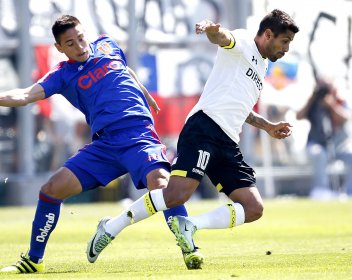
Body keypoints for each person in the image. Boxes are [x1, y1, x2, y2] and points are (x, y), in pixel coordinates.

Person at [87, 9, 299, 266]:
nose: (286, 49)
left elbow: (239, 107)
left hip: (228, 141)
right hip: (204, 128)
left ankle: (191, 225)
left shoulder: (262, 65)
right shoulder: (243, 41)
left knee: (253, 208)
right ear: (268, 34)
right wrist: (212, 29)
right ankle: (110, 227)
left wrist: (267, 126)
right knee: (176, 194)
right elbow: (222, 37)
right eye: (284, 42)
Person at [0, 15, 203, 274]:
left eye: (81, 38)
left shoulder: (107, 45)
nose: (80, 46)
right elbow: (26, 95)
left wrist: (143, 92)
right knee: (51, 189)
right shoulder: (62, 75)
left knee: (162, 183)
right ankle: (33, 259)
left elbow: (124, 69)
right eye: (70, 43)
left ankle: (189, 248)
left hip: (138, 136)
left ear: (87, 34)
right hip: (105, 145)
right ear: (60, 48)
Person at [296, 78, 352, 199]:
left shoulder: (338, 100)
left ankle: (350, 193)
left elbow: (345, 118)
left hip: (340, 144)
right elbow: (299, 116)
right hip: (318, 143)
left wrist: (331, 106)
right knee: (318, 154)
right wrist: (313, 98)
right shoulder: (312, 103)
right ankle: (321, 191)